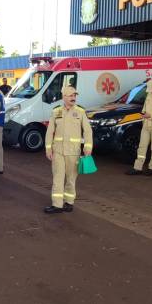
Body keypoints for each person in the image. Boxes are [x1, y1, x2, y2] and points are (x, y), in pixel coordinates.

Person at [44, 86, 92, 214]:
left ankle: (69, 202)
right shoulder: (56, 112)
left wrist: (88, 147)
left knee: (71, 178)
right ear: (64, 97)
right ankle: (57, 205)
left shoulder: (80, 112)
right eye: (70, 95)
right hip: (58, 151)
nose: (73, 98)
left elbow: (87, 131)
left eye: (74, 95)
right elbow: (50, 132)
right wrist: (48, 148)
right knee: (58, 178)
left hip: (73, 151)